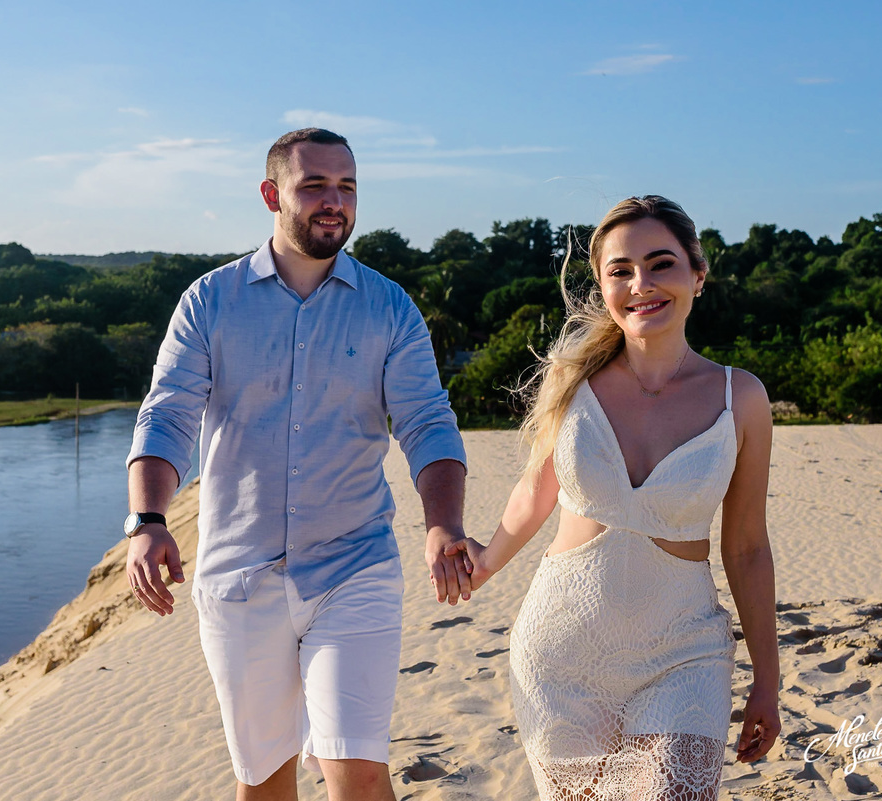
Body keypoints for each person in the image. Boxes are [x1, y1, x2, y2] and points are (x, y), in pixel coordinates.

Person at [124, 127, 470, 801]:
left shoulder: (390, 307)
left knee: (359, 772)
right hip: (239, 576)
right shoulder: (209, 301)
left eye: (347, 187)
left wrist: (443, 524)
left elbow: (428, 423)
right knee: (265, 781)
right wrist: (148, 518)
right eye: (315, 185)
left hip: (354, 567)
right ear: (270, 194)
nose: (334, 201)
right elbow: (167, 416)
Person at [449, 196, 780, 800]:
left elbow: (749, 548)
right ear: (602, 286)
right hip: (561, 656)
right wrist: (484, 562)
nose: (641, 285)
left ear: (697, 276)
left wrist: (767, 681)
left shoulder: (742, 398)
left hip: (683, 657)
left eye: (661, 265)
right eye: (620, 271)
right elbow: (535, 491)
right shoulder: (572, 380)